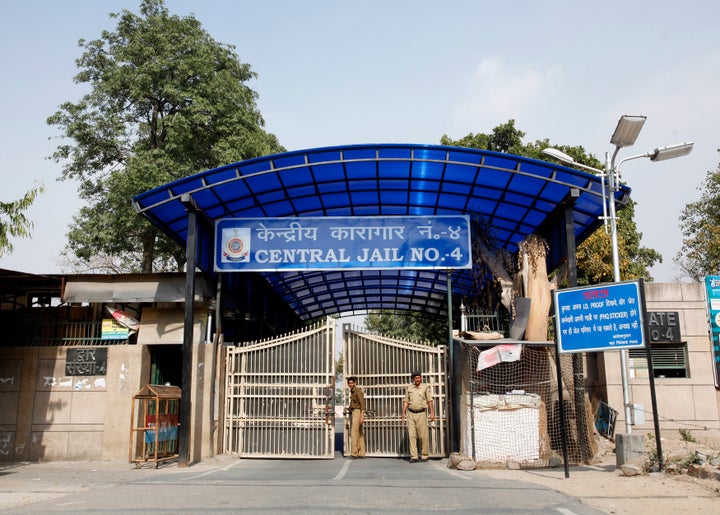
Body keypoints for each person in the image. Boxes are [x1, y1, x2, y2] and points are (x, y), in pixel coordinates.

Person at [401, 370, 434, 462]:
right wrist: (403, 413)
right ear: (413, 379)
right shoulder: (409, 388)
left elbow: (430, 401)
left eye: (419, 377)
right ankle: (414, 456)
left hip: (421, 413)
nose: (417, 379)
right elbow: (406, 401)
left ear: (421, 378)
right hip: (411, 413)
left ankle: (424, 455)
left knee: (423, 435)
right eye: (415, 378)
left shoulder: (425, 388)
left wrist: (432, 413)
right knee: (412, 435)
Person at [346, 376, 366, 458]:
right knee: (359, 433)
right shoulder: (352, 391)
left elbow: (362, 405)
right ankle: (362, 453)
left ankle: (354, 453)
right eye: (349, 383)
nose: (350, 384)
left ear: (355, 383)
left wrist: (362, 416)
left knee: (354, 432)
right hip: (354, 412)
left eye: (352, 383)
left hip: (358, 412)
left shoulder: (358, 391)